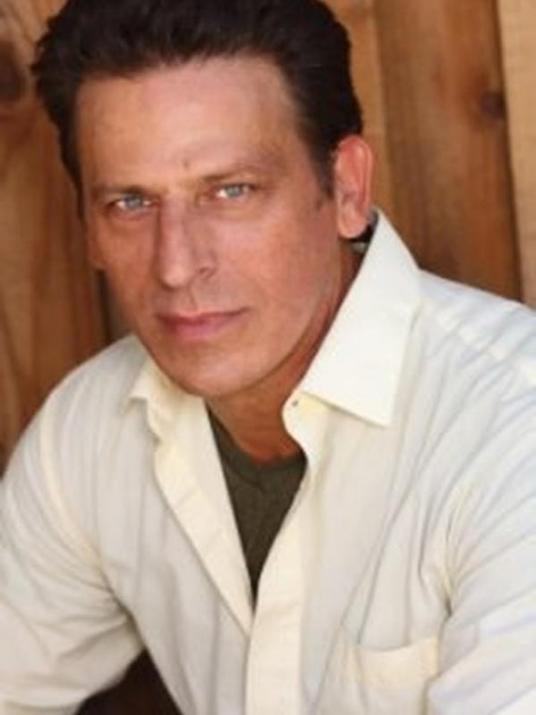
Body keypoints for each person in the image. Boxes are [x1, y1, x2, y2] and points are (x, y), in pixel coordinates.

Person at [1, 0, 536, 712]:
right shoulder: (87, 433)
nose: (176, 265)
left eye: (231, 191)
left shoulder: (513, 433)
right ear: (89, 230)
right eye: (131, 203)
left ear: (346, 189)